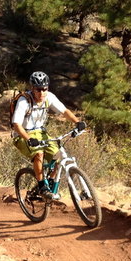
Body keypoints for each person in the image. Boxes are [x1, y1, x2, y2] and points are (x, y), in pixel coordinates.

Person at [11, 71, 86, 200]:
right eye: (38, 90)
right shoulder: (24, 101)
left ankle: (50, 182)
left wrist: (77, 122)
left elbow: (65, 111)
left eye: (44, 89)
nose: (42, 93)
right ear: (32, 88)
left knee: (59, 155)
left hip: (41, 132)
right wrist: (29, 139)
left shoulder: (49, 97)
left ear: (48, 88)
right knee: (38, 154)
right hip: (23, 135)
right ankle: (42, 187)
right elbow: (16, 124)